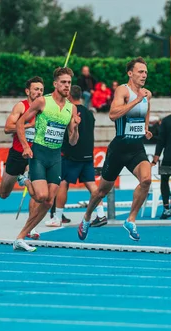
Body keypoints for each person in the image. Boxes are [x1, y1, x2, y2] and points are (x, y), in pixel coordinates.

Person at [77, 57, 152, 242]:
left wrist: (146, 128)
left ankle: (131, 219)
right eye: (140, 71)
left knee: (147, 180)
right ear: (130, 73)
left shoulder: (146, 94)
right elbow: (112, 114)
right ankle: (87, 217)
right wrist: (137, 100)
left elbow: (146, 111)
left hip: (136, 147)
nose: (144, 75)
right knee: (101, 191)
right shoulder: (122, 90)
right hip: (119, 148)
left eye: (145, 72)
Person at [12, 67, 80, 252]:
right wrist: (26, 146)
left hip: (56, 156)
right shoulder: (43, 101)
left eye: (69, 83)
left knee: (49, 201)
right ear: (55, 84)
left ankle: (20, 237)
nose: (67, 86)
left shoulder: (71, 108)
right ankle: (25, 180)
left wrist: (74, 128)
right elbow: (20, 122)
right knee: (41, 196)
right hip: (39, 153)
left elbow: (73, 141)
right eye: (64, 82)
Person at [0, 76, 43, 239]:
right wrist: (28, 125)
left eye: (41, 90)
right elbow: (7, 128)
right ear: (27, 91)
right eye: (36, 89)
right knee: (4, 193)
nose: (39, 92)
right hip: (17, 154)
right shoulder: (21, 106)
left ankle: (30, 228)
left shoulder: (44, 108)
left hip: (36, 155)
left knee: (37, 192)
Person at [47, 85, 106, 227]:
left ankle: (58, 217)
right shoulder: (89, 113)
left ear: (69, 96)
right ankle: (101, 214)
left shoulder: (69, 111)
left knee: (63, 183)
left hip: (71, 154)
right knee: (91, 184)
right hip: (87, 154)